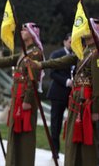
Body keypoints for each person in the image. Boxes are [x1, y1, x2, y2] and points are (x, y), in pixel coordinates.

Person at [27, 18, 99, 166]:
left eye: (87, 27)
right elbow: (62, 61)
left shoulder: (96, 52)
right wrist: (40, 64)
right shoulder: (84, 50)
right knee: (74, 138)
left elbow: (97, 84)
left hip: (87, 102)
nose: (82, 30)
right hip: (77, 99)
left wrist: (95, 109)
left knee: (87, 140)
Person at [0, 22, 44, 166]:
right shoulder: (24, 51)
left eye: (24, 30)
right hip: (17, 96)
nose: (21, 32)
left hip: (25, 99)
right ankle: (14, 161)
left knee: (25, 134)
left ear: (32, 34)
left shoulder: (35, 53)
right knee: (15, 132)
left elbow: (34, 80)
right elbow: (7, 60)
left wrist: (27, 100)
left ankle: (24, 162)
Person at [46, 33, 73, 158]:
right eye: (70, 42)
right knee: (56, 123)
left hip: (73, 95)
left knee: (73, 123)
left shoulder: (78, 55)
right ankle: (55, 150)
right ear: (64, 42)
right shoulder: (56, 54)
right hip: (58, 93)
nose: (72, 45)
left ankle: (71, 149)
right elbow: (52, 73)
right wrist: (66, 81)